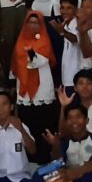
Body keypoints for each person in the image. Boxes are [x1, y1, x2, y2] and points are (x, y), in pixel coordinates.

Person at [13, 10, 59, 163]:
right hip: (24, 89)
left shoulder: (44, 40)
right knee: (27, 125)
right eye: (30, 22)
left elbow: (42, 60)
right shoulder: (20, 40)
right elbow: (16, 63)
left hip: (42, 89)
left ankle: (45, 159)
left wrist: (31, 53)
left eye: (36, 23)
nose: (33, 26)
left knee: (43, 125)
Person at [51, 0, 88, 95]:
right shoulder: (65, 24)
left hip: (76, 76)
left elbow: (75, 39)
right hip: (66, 78)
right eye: (62, 8)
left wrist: (62, 32)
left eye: (69, 8)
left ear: (76, 9)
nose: (64, 11)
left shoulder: (78, 23)